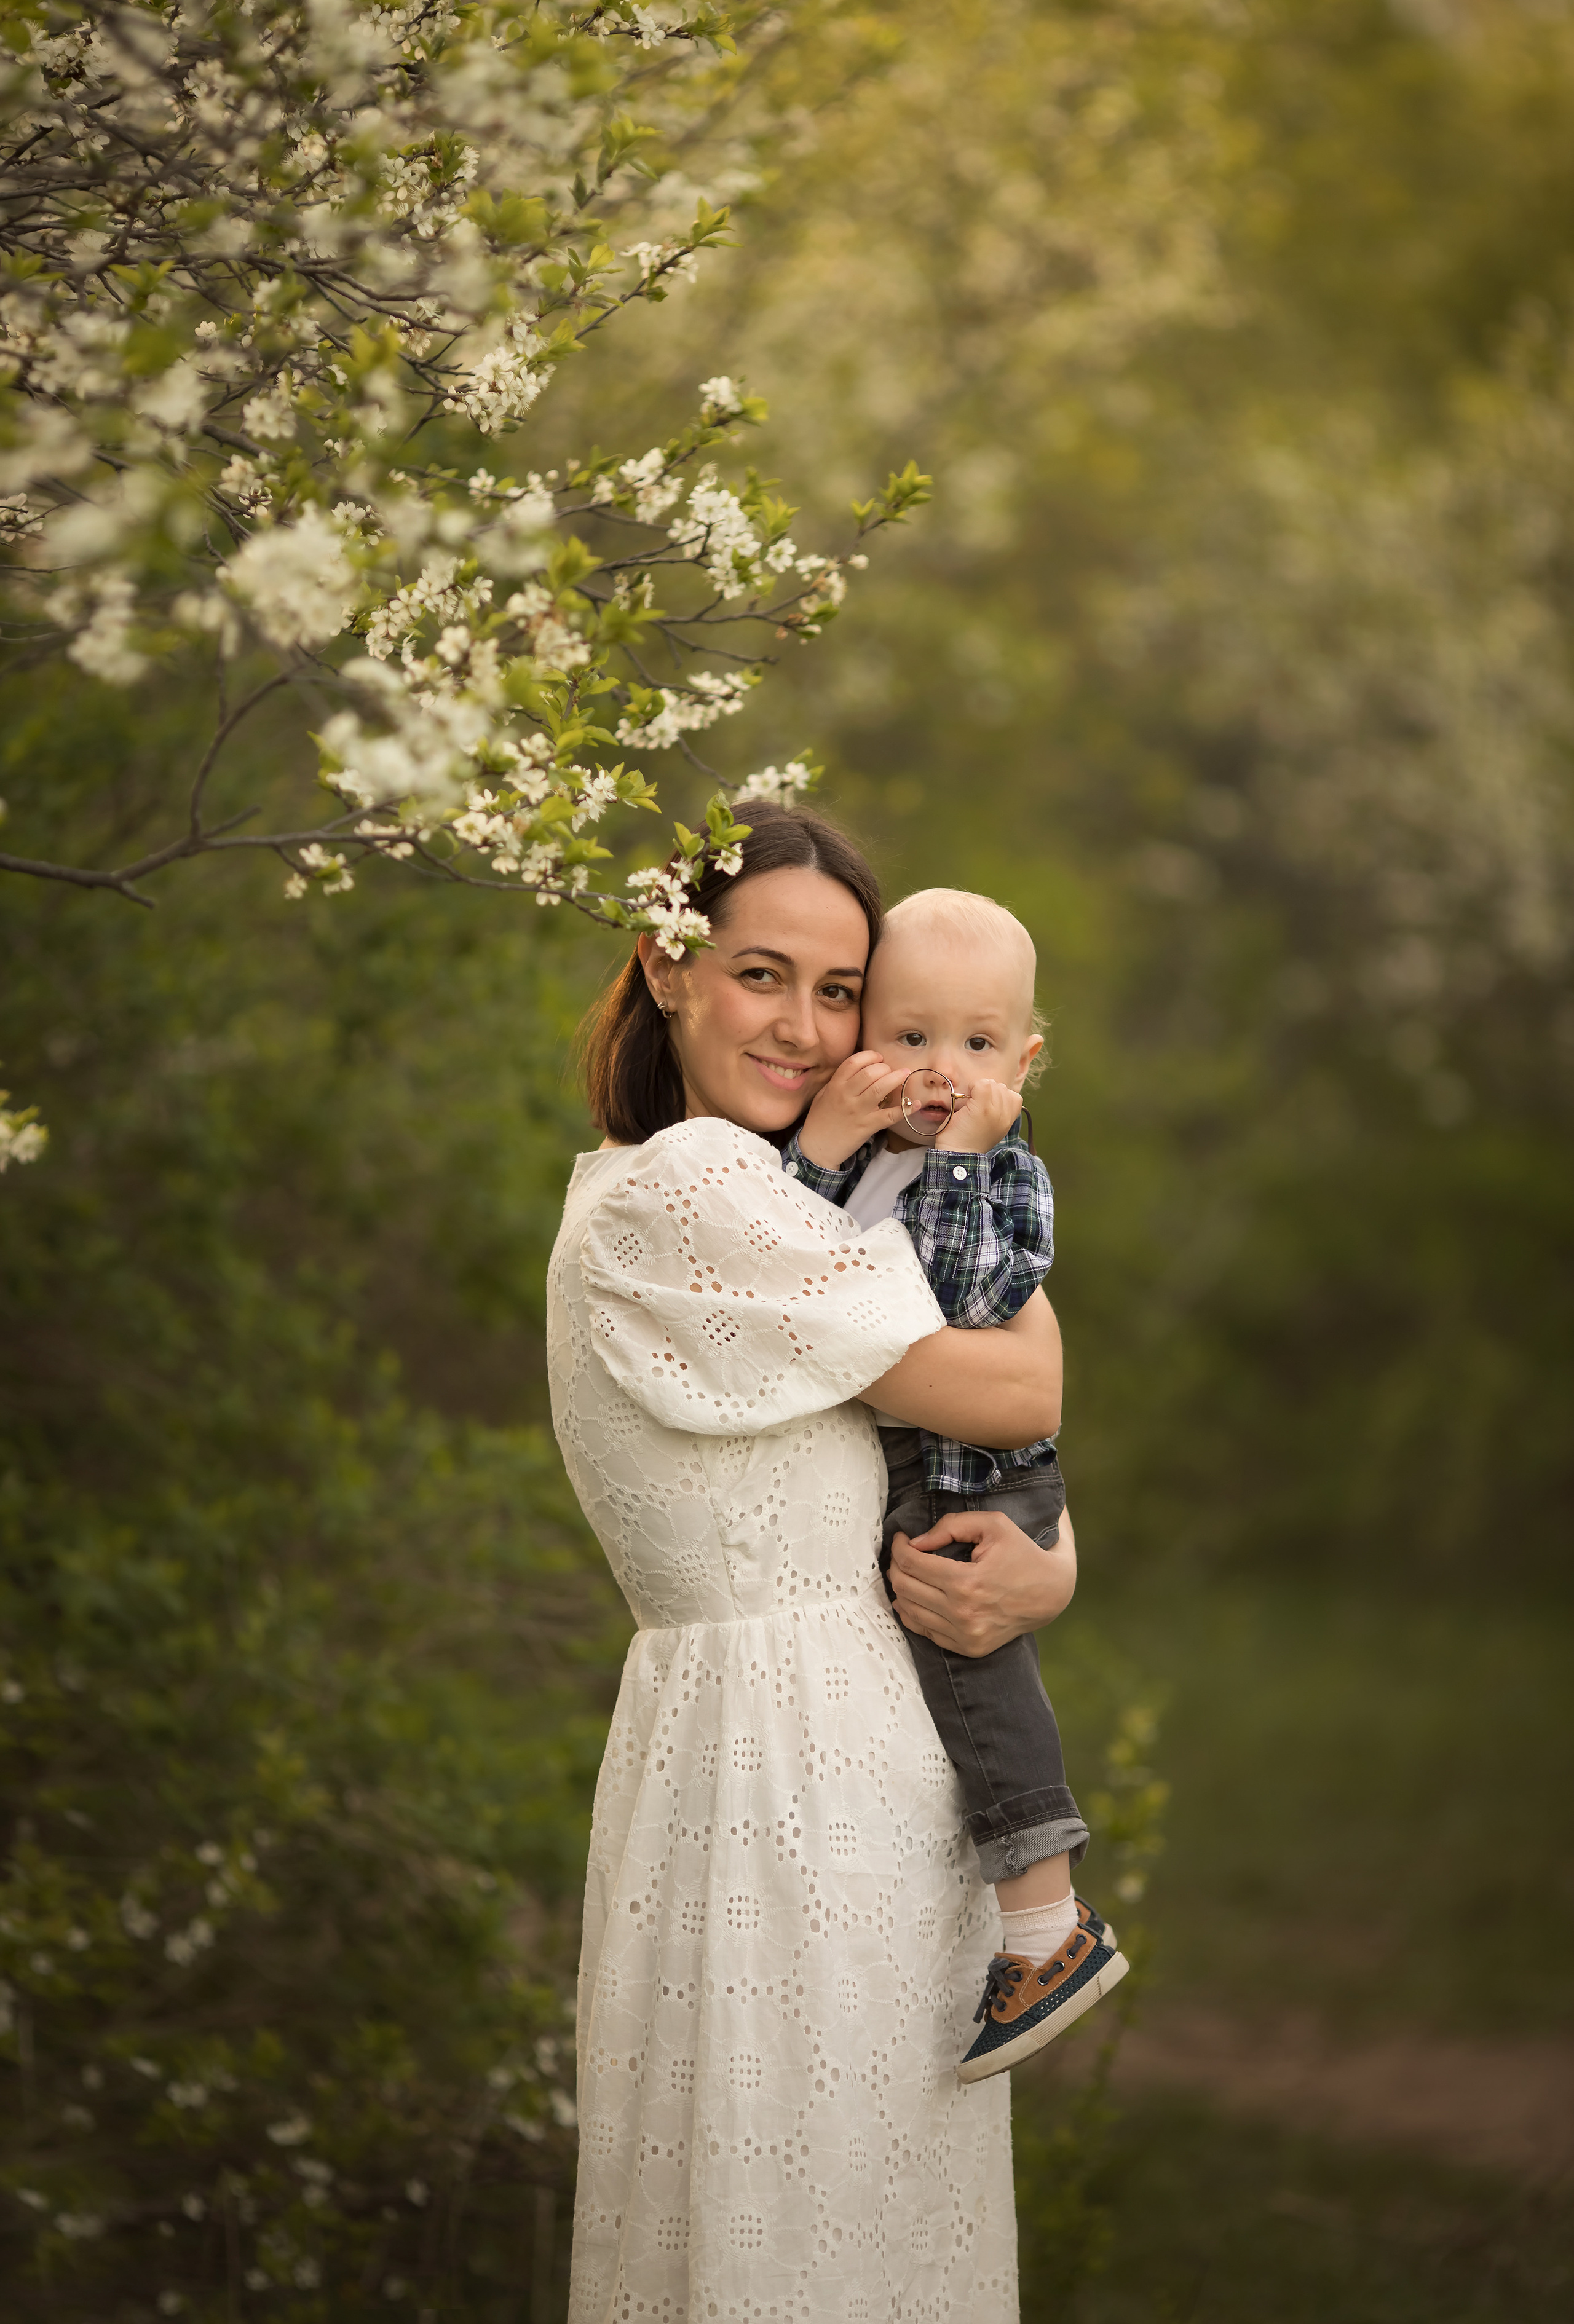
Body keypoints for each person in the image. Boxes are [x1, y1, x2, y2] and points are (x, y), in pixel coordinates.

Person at [548, 803, 1088, 2320]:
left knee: (843, 2230)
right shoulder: (691, 1184)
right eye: (759, 974)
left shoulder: (789, 1198)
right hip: (781, 1786)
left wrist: (1042, 1575)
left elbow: (950, 1450)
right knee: (788, 2230)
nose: (803, 1026)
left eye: (839, 990)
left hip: (866, 1766)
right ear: (667, 966)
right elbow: (1017, 1384)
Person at [779, 887, 1127, 2081]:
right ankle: (1025, 1915)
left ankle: (1047, 1922)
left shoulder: (1004, 1174)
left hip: (976, 1477)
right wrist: (827, 1141)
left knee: (966, 1667)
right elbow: (789, 1253)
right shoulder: (863, 1155)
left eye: (976, 1046)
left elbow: (961, 1301)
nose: (939, 1071)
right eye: (910, 1035)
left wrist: (967, 1160)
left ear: (1023, 1060)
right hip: (930, 1459)